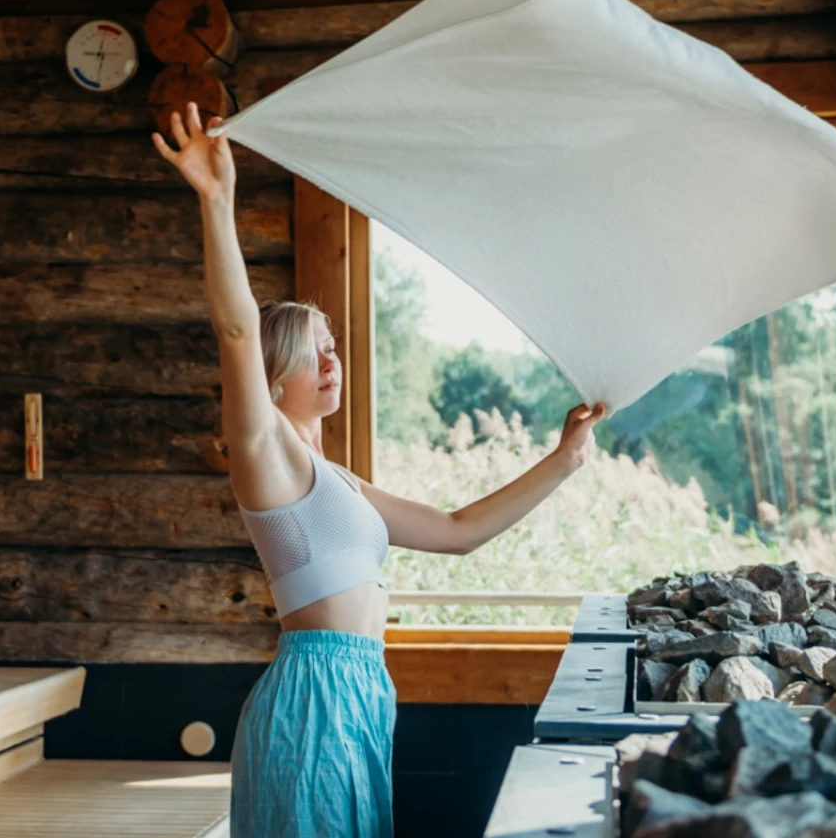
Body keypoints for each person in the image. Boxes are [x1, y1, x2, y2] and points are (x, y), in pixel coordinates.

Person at [152, 102, 608, 838]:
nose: (332, 359)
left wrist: (562, 461)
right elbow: (235, 326)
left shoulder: (344, 485)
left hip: (364, 691)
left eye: (334, 343)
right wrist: (217, 200)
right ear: (270, 376)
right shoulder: (264, 450)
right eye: (311, 348)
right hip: (314, 694)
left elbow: (460, 531)